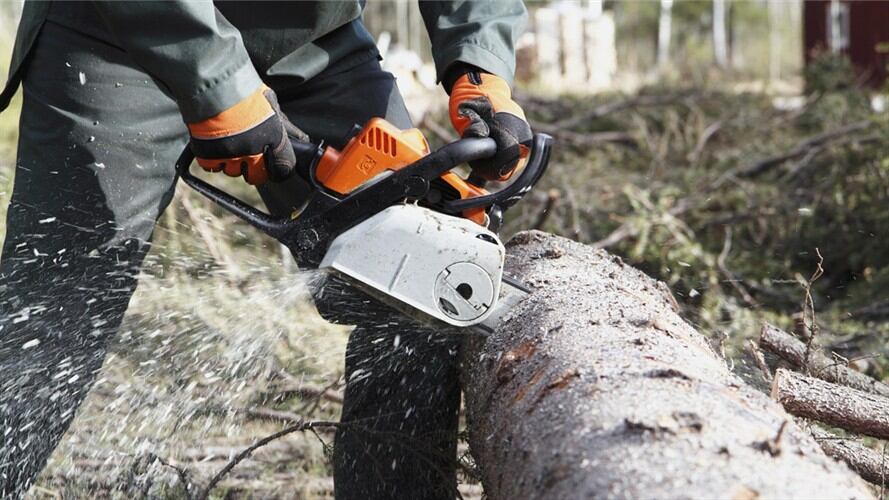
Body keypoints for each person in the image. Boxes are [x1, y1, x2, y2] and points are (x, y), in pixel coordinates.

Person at [0, 1, 531, 498]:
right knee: (58, 301)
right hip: (119, 31)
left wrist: (478, 61)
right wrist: (216, 79)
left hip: (313, 40)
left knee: (425, 274)